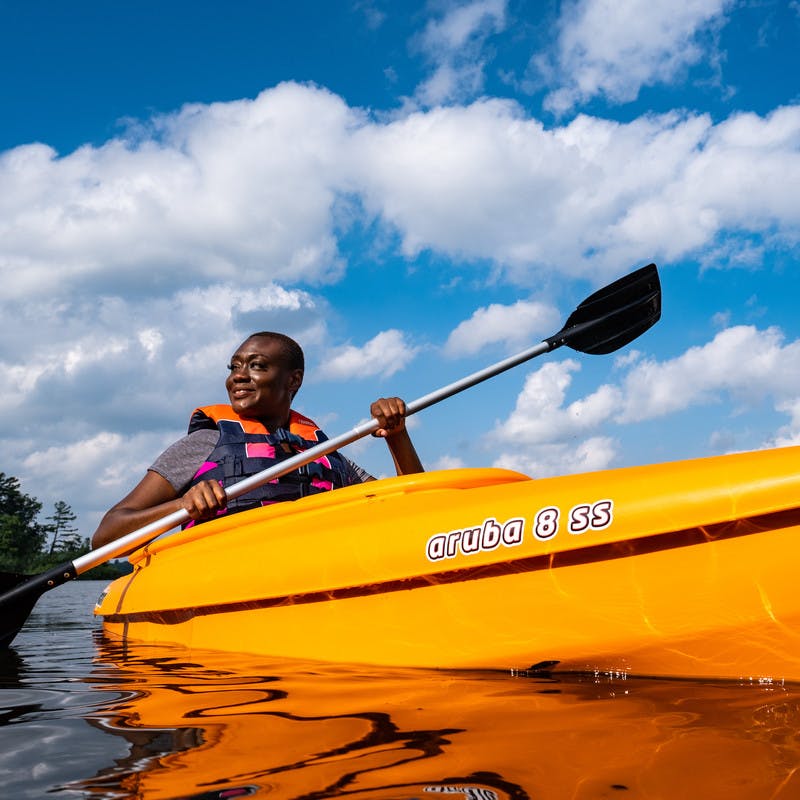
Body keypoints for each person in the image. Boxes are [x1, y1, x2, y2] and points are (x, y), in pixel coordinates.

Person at [91, 331, 423, 548]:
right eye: (234, 367)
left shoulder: (325, 454)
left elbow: (413, 511)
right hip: (221, 577)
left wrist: (397, 435)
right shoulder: (204, 444)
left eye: (257, 366)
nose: (238, 375)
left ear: (293, 380)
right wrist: (182, 505)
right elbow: (106, 535)